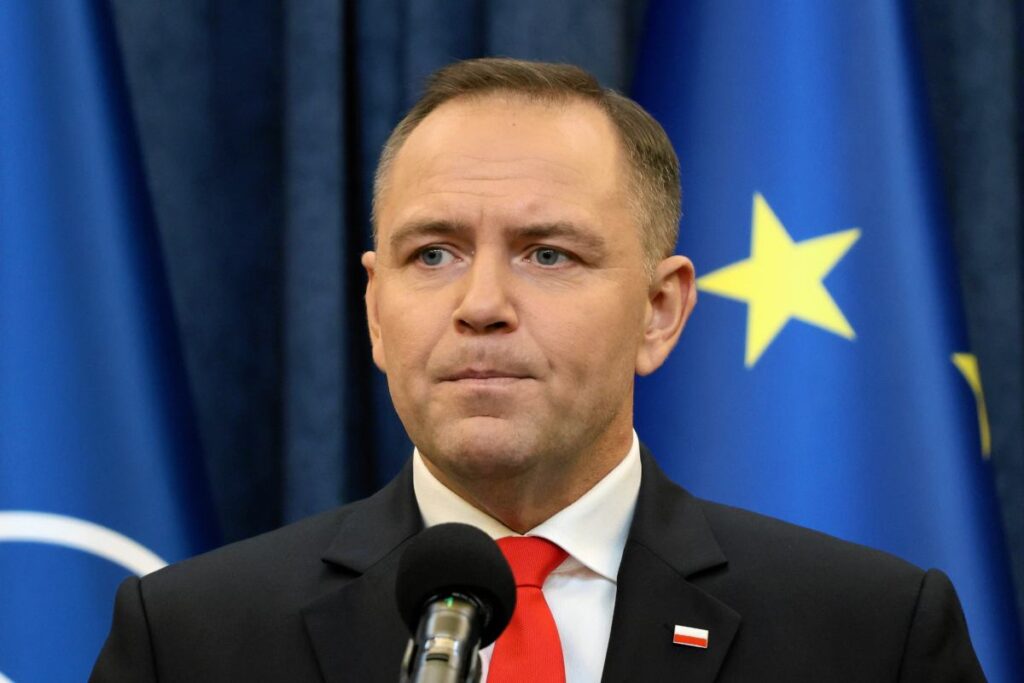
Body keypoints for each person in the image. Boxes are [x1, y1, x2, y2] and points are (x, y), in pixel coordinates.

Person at [91, 58, 985, 682]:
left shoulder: (871, 635)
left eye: (547, 254)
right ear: (374, 309)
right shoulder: (191, 641)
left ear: (659, 309)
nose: (480, 303)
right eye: (433, 254)